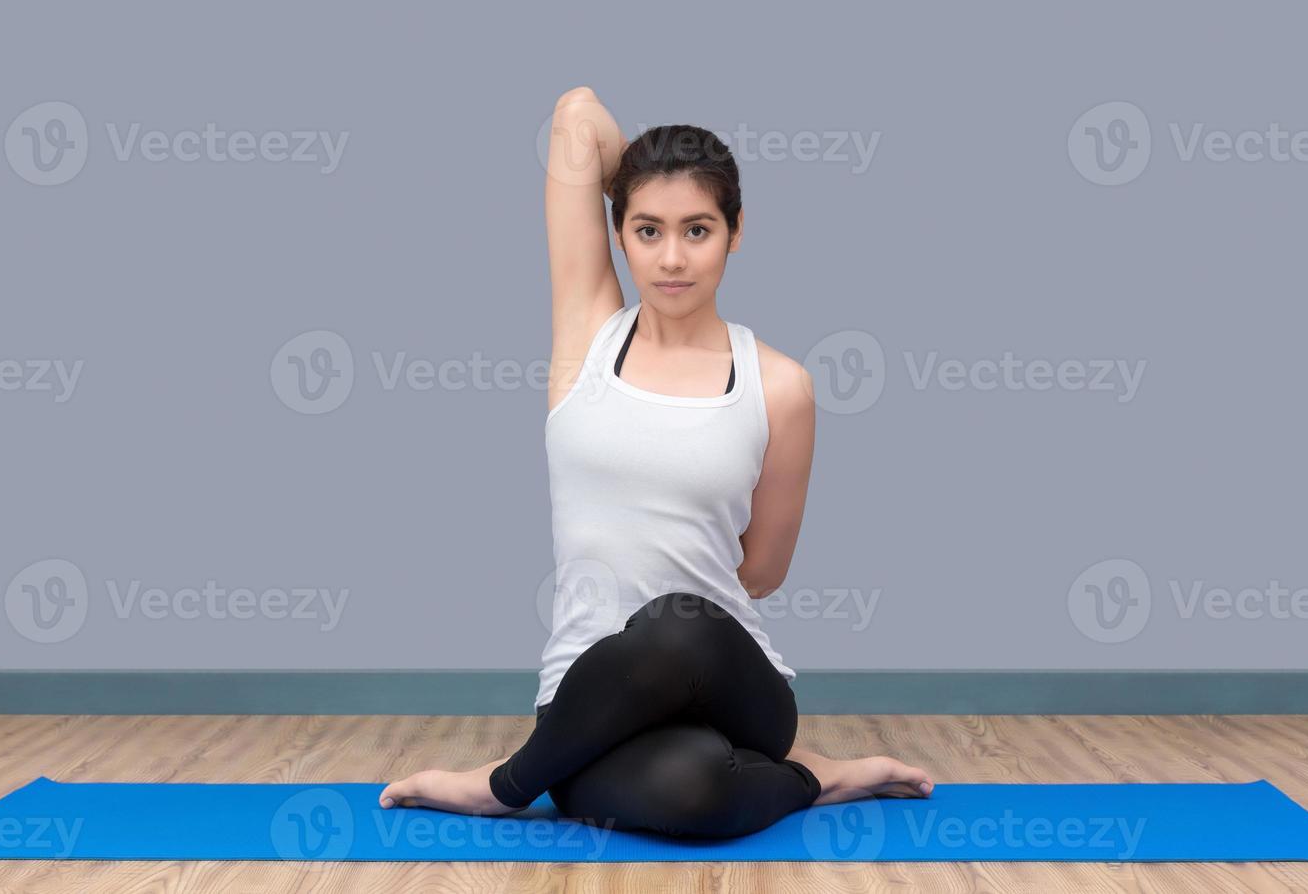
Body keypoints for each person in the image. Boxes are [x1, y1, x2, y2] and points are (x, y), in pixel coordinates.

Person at [379, 87, 934, 838]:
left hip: (731, 682)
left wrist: (667, 631)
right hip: (585, 694)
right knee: (694, 793)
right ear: (619, 234)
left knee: (677, 621)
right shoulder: (588, 338)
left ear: (736, 233)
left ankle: (504, 784)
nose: (672, 258)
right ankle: (818, 775)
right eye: (648, 229)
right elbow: (578, 113)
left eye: (698, 229)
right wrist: (651, 169)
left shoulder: (782, 386)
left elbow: (763, 573)